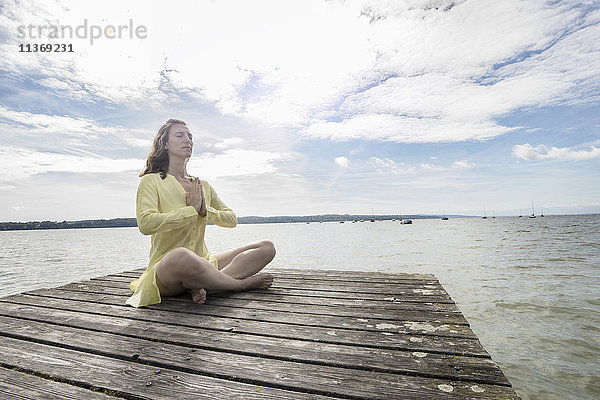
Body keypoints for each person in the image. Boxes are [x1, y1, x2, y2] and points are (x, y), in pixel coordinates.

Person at [126, 118, 275, 308]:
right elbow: (146, 224)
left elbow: (231, 219)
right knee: (181, 255)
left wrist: (205, 211)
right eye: (179, 135)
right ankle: (239, 285)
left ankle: (204, 285)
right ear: (165, 144)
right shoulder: (151, 181)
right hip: (168, 269)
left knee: (266, 247)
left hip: (204, 262)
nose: (187, 140)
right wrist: (190, 211)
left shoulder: (202, 185)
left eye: (190, 136)